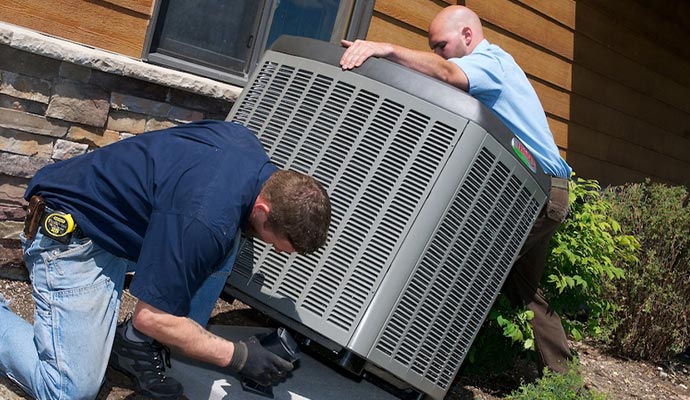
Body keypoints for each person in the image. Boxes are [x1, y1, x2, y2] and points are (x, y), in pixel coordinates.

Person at [0, 120, 332, 400]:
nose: (271, 249)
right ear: (265, 209)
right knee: (69, 389)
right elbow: (150, 317)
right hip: (70, 235)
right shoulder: (204, 219)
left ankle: (134, 345)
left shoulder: (245, 147)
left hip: (119, 223)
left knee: (227, 237)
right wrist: (238, 357)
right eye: (275, 241)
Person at [341, 5, 573, 374]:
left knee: (462, 271)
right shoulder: (485, 68)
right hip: (545, 192)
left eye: (440, 45)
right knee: (526, 292)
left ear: (467, 36)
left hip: (537, 195)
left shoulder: (489, 62)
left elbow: (448, 74)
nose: (437, 54)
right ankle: (568, 385)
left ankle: (408, 367)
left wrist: (386, 48)